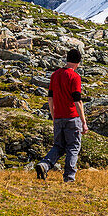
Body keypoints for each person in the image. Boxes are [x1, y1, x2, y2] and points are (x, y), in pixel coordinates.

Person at [35, 49, 88, 182]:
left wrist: (54, 116)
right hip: (72, 117)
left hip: (58, 116)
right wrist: (83, 122)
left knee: (58, 146)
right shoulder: (75, 77)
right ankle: (69, 177)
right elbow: (77, 100)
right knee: (73, 147)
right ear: (78, 63)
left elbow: (50, 98)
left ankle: (44, 164)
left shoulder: (55, 75)